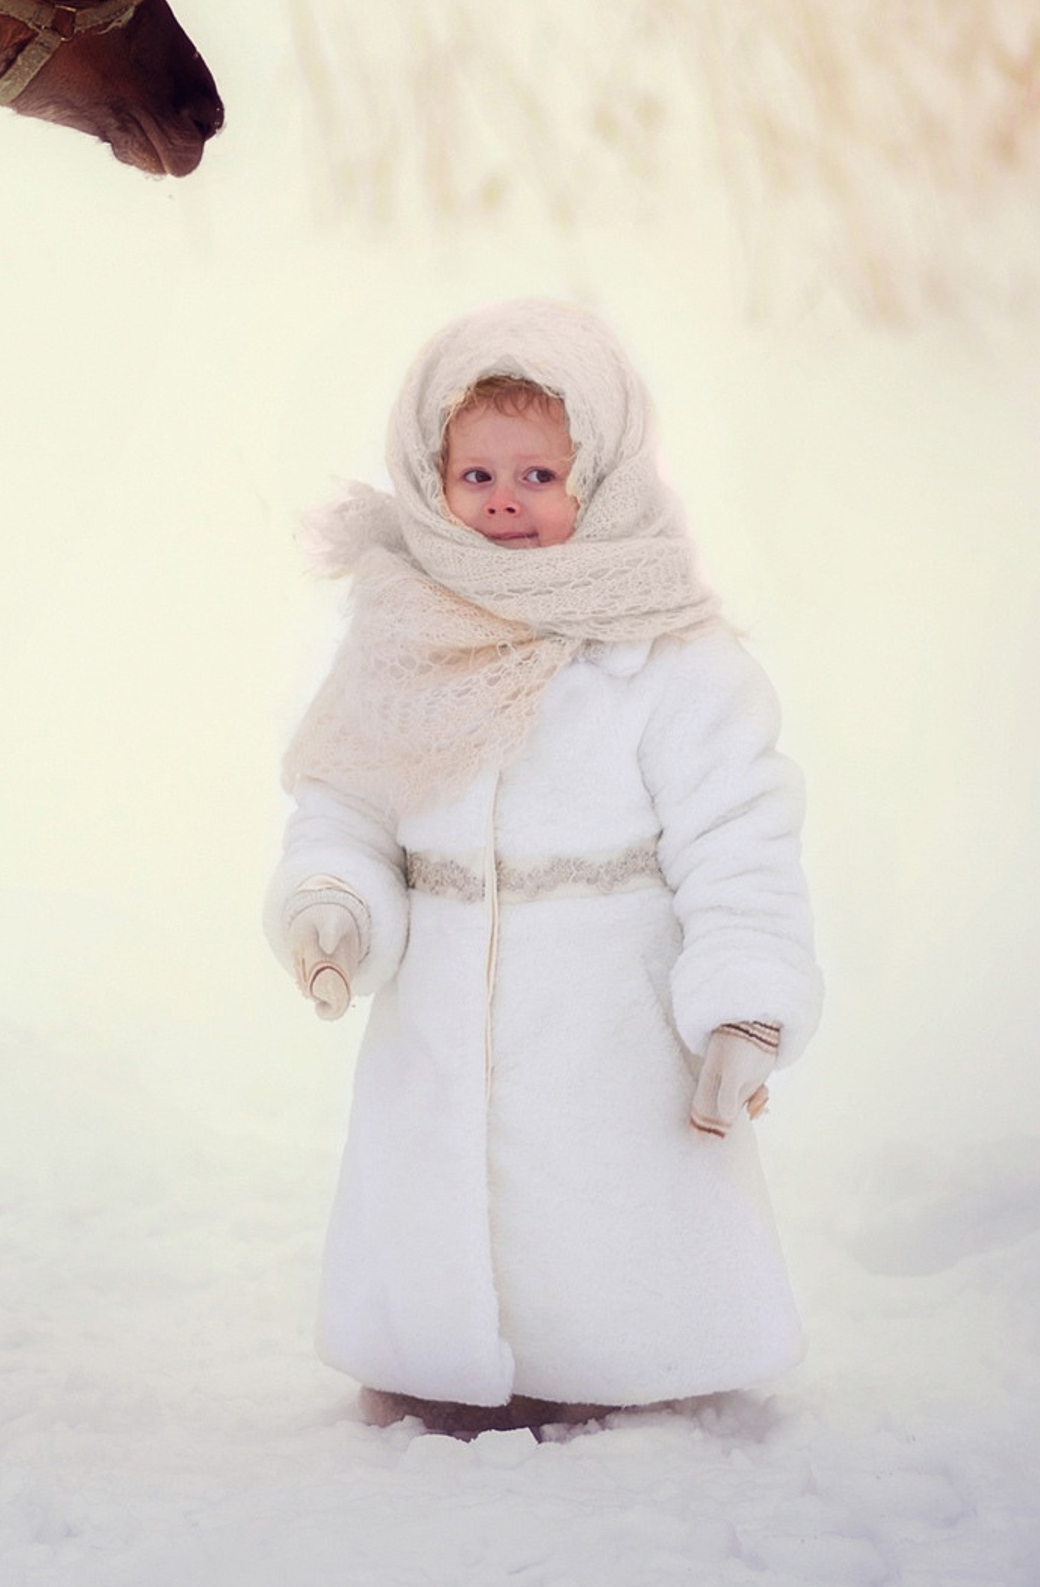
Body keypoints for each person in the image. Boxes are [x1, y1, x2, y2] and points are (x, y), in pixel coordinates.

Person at [264, 298, 821, 1434]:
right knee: (441, 1182)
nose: (505, 503)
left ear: (601, 475)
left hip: (610, 1006)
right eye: (475, 478)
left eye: (538, 475)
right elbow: (349, 803)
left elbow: (738, 841)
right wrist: (335, 907)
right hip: (439, 1000)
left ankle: (633, 1356)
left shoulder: (665, 650)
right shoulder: (402, 630)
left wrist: (744, 1009)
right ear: (431, 477)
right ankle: (433, 1355)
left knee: (605, 1196)